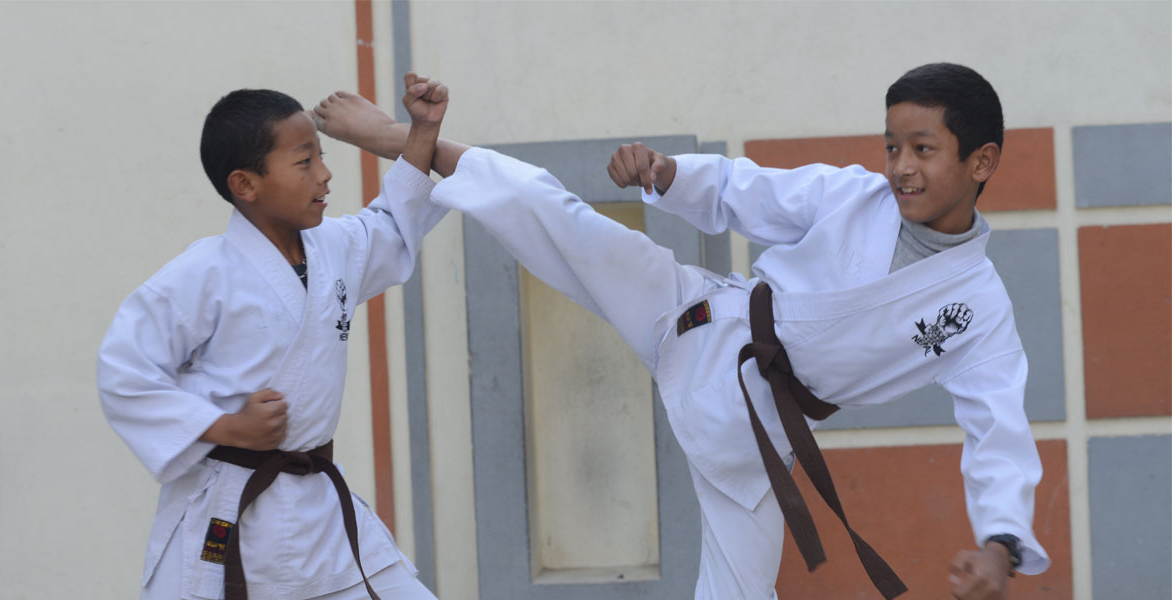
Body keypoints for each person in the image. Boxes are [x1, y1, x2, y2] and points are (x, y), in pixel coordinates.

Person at [314, 62, 1050, 600]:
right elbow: (744, 191)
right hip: (699, 314)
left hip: (758, 425)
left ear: (981, 161)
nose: (900, 168)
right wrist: (665, 173)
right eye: (893, 147)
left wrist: (1000, 544)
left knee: (737, 595)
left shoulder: (977, 310)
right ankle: (404, 140)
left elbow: (999, 429)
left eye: (923, 150)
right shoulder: (856, 197)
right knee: (557, 214)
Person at [98, 73, 450, 600]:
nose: (325, 176)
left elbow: (395, 221)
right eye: (305, 162)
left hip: (319, 509)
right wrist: (227, 425)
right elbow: (123, 375)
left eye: (320, 157)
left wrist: (422, 131)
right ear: (245, 184)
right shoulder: (200, 274)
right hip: (230, 511)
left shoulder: (335, 248)